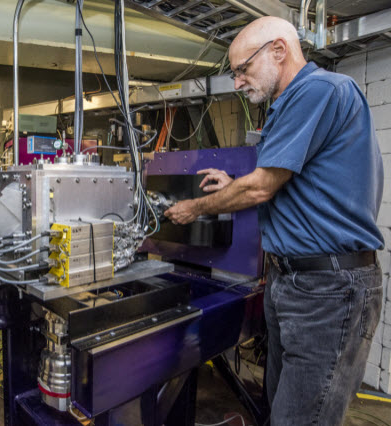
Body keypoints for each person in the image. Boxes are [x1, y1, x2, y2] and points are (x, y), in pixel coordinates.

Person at [164, 16, 384, 426]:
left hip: (328, 289)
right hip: (294, 283)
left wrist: (192, 208)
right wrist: (234, 182)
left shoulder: (318, 90)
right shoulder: (291, 105)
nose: (238, 82)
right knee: (280, 410)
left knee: (301, 418)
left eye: (243, 69)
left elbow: (262, 188)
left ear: (279, 52)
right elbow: (290, 183)